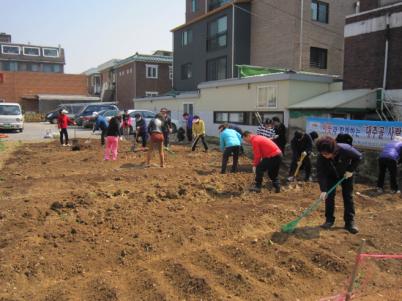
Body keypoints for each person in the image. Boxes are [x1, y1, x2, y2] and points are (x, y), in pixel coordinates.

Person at [316, 136, 362, 234]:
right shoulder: (321, 157)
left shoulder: (345, 149)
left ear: (333, 150)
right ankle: (329, 220)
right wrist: (323, 189)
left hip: (346, 174)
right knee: (329, 196)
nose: (324, 156)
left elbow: (358, 156)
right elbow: (321, 173)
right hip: (331, 175)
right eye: (322, 154)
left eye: (326, 154)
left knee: (348, 196)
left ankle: (350, 222)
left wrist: (350, 170)